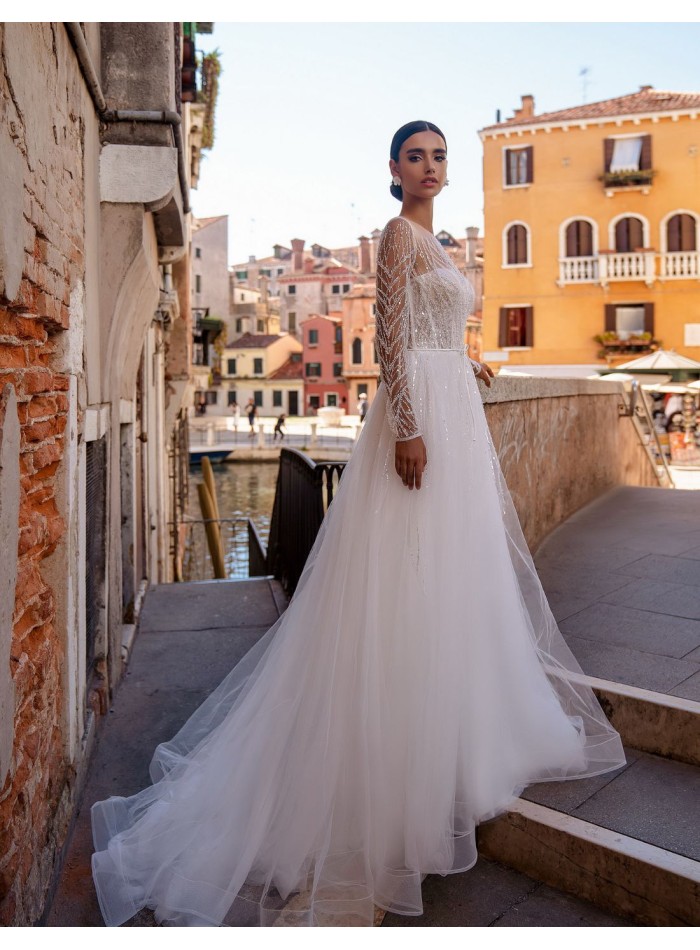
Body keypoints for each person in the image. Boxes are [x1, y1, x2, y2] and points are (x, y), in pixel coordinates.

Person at [91, 121, 625, 928]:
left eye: (439, 156)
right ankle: (399, 754)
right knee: (407, 572)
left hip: (453, 406)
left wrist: (467, 359)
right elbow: (391, 336)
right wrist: (407, 426)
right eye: (416, 156)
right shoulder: (397, 235)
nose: (430, 167)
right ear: (394, 168)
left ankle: (457, 733)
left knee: (456, 573)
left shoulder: (440, 242)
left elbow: (435, 330)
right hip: (421, 419)